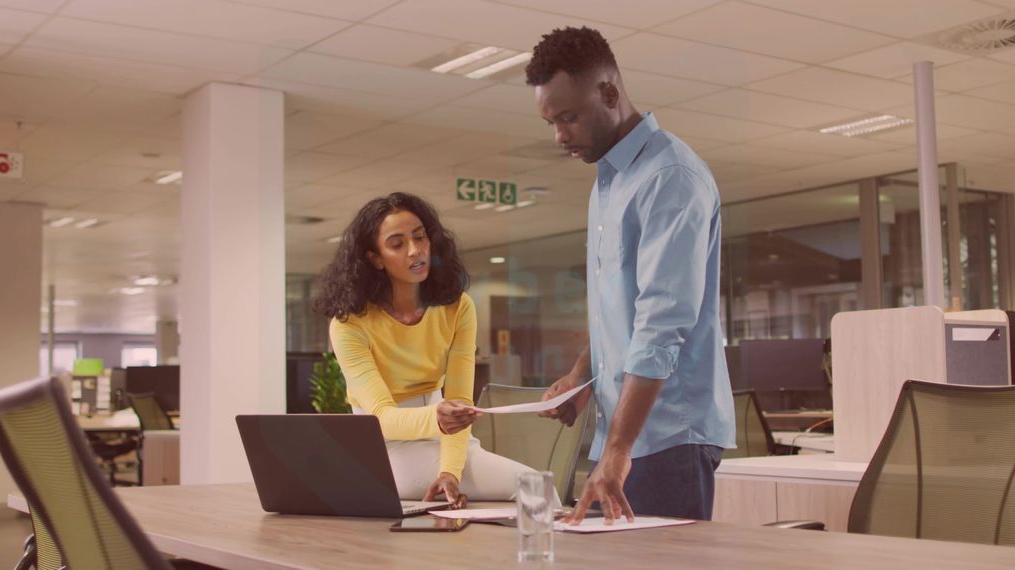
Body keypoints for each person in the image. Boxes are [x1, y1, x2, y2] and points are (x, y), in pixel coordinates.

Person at [527, 27, 735, 523]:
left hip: (667, 438)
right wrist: (581, 379)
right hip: (623, 438)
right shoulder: (609, 185)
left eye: (569, 117)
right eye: (551, 122)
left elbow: (661, 325)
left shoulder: (671, 178)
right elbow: (618, 311)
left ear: (610, 93)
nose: (559, 136)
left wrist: (619, 449)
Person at [313, 192, 536, 508]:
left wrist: (450, 470)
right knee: (535, 488)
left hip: (447, 436)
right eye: (397, 243)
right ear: (375, 258)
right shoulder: (349, 324)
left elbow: (459, 404)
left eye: (420, 238)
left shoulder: (457, 307)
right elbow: (381, 418)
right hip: (388, 447)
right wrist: (440, 418)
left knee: (531, 492)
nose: (415, 250)